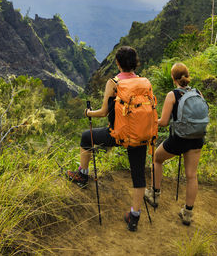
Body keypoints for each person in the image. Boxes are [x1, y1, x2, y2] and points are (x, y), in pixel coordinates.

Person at [66, 46, 150, 232]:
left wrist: (88, 112)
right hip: (139, 135)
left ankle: (82, 174)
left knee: (86, 137)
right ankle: (134, 215)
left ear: (118, 63)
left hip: (117, 134)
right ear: (135, 63)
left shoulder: (113, 82)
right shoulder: (145, 82)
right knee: (138, 174)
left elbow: (104, 112)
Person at [144, 62, 204, 226]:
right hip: (197, 138)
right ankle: (188, 213)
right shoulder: (198, 92)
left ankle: (154, 194)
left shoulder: (173, 95)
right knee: (192, 175)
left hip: (180, 139)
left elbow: (163, 122)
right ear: (187, 76)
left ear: (173, 77)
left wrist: (151, 121)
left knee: (157, 158)